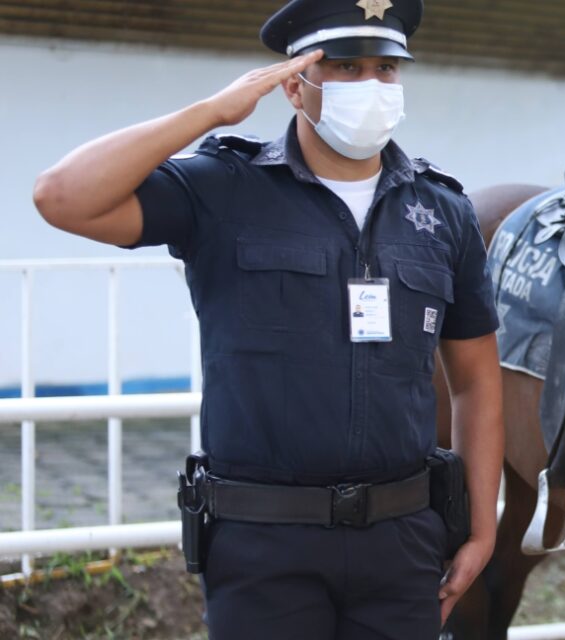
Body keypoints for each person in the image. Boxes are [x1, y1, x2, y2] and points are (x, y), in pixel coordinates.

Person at [32, 0, 503, 637]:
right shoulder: (223, 188)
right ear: (293, 84)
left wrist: (480, 526)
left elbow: (476, 379)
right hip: (263, 544)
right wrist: (211, 111)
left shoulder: (441, 211)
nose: (371, 86)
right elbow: (62, 197)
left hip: (402, 541)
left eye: (386, 69)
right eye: (344, 66)